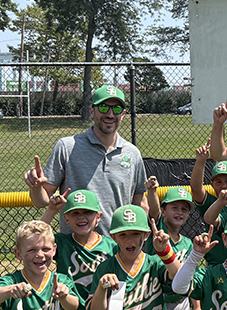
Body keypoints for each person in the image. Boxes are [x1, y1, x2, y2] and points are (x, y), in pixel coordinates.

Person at [24, 85, 148, 234]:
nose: (110, 114)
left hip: (118, 249)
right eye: (103, 108)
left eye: (116, 109)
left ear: (123, 114)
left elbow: (139, 202)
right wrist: (36, 188)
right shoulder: (67, 147)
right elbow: (41, 202)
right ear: (91, 111)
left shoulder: (132, 153)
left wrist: (141, 237)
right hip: (76, 249)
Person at [87, 204, 182, 310]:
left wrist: (165, 252)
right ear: (114, 237)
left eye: (135, 233)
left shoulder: (154, 264)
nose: (129, 240)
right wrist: (102, 288)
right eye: (123, 234)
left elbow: (180, 279)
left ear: (146, 235)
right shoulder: (106, 268)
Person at [39, 190, 117, 310]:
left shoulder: (111, 246)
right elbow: (37, 236)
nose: (81, 217)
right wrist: (51, 210)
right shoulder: (62, 242)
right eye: (75, 213)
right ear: (66, 219)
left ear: (99, 217)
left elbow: (120, 281)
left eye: (87, 212)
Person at [144, 180, 195, 310]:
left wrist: (196, 309)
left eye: (184, 209)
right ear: (164, 211)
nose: (179, 212)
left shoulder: (188, 243)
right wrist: (152, 191)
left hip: (182, 303)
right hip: (159, 300)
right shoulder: (158, 231)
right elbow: (154, 210)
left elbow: (190, 277)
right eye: (174, 207)